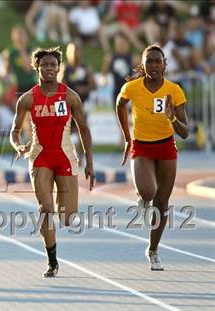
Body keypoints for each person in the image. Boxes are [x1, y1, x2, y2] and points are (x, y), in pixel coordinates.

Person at [10, 47, 95, 277]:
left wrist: (90, 163)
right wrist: (19, 145)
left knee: (67, 217)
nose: (49, 69)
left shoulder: (70, 96)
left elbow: (84, 129)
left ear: (59, 68)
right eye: (45, 65)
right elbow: (14, 131)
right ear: (37, 67)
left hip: (65, 156)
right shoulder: (27, 98)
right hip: (40, 157)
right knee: (45, 210)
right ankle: (52, 261)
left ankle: (61, 220)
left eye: (53, 65)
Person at [116, 45, 189, 271]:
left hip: (166, 147)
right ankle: (141, 196)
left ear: (165, 64)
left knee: (162, 204)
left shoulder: (174, 90)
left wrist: (171, 118)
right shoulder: (132, 87)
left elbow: (185, 132)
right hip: (142, 147)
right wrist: (127, 137)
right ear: (143, 64)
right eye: (150, 61)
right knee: (148, 192)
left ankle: (153, 250)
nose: (154, 66)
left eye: (158, 61)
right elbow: (120, 104)